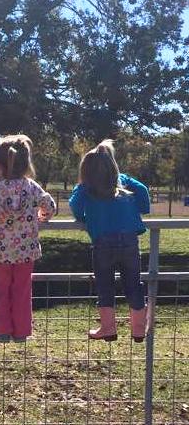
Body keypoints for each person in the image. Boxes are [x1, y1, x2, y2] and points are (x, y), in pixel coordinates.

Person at [69, 140, 150, 342]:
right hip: (130, 241)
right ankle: (139, 329)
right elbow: (143, 192)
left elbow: (75, 206)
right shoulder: (123, 180)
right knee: (134, 284)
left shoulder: (86, 187)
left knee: (105, 284)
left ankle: (108, 328)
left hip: (102, 242)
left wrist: (84, 219)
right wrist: (140, 209)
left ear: (86, 170)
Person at [0, 135, 55, 343]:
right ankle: (22, 331)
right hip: (26, 250)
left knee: (0, 291)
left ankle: (1, 330)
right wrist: (42, 217)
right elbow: (49, 206)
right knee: (22, 291)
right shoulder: (31, 187)